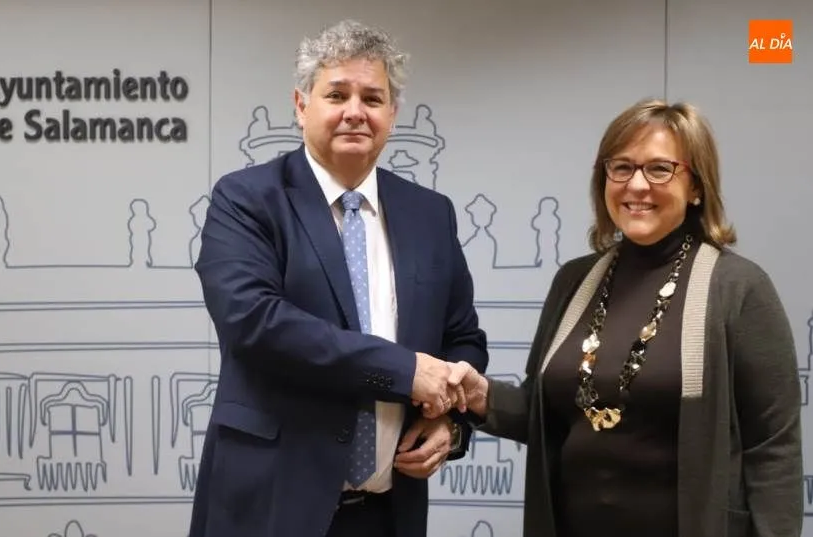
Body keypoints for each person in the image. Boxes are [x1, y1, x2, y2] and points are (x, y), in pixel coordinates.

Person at [442, 99, 803, 537]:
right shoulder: (574, 282)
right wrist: (479, 395)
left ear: (696, 186)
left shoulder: (739, 288)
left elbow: (773, 449)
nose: (637, 185)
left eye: (659, 169)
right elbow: (544, 414)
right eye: (622, 168)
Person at [189, 19, 488, 537]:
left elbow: (463, 340)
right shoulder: (246, 199)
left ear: (392, 114)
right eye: (337, 94)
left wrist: (449, 423)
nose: (355, 111)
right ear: (302, 105)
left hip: (388, 513)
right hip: (270, 507)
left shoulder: (429, 214)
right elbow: (255, 323)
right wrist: (404, 371)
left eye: (373, 98)